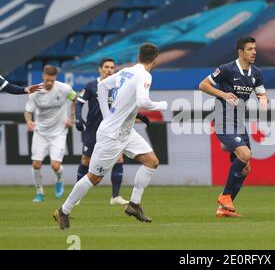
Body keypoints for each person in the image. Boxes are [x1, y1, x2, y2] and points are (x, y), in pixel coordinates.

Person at [54, 43, 168, 230]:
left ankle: (134, 205)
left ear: (139, 56)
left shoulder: (126, 71)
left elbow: (103, 86)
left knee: (151, 161)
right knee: (94, 178)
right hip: (111, 135)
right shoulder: (145, 75)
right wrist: (162, 105)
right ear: (155, 60)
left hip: (125, 131)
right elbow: (142, 101)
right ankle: (63, 211)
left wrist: (107, 114)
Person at [198, 36, 268, 217]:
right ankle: (225, 196)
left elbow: (260, 91)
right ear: (240, 52)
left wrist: (264, 99)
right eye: (250, 49)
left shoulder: (256, 73)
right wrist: (223, 93)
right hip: (224, 121)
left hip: (239, 123)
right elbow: (203, 85)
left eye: (255, 48)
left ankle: (224, 208)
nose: (254, 52)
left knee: (246, 167)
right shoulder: (226, 70)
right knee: (245, 154)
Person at [75, 58, 152, 205]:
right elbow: (79, 102)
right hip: (93, 129)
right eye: (106, 67)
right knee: (86, 159)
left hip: (114, 131)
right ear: (100, 69)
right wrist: (78, 118)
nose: (109, 70)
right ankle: (77, 197)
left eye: (112, 67)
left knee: (119, 159)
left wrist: (141, 116)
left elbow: (127, 105)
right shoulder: (92, 85)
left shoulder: (118, 86)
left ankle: (115, 196)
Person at [24, 65, 77, 202]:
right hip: (40, 132)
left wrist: (71, 118)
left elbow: (75, 99)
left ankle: (59, 180)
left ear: (55, 79)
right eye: (47, 80)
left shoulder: (64, 88)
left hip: (58, 132)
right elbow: (28, 111)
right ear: (43, 77)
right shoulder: (35, 91)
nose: (49, 83)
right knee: (36, 164)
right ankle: (39, 192)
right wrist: (29, 121)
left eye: (52, 81)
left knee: (55, 166)